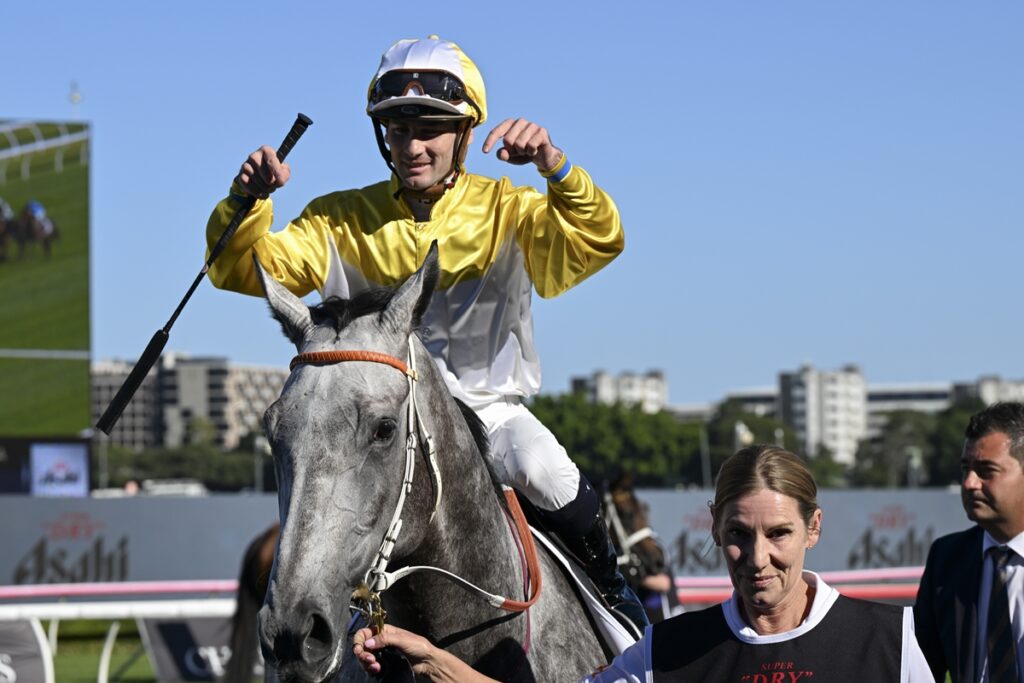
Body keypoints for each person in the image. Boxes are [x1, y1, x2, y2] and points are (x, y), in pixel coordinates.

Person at [204, 35, 645, 632]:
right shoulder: (336, 217)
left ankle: (621, 613)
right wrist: (246, 200)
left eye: (431, 128)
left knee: (546, 469)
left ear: (465, 133)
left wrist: (555, 166)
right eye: (397, 129)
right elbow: (237, 268)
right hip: (377, 419)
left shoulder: (509, 209)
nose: (412, 145)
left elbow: (599, 240)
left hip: (488, 412)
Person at [353, 444, 934, 681]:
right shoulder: (665, 653)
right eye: (737, 535)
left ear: (814, 527)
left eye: (778, 533)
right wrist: (431, 659)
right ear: (713, 527)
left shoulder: (891, 642)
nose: (758, 558)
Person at [914, 402, 1024, 683]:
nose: (969, 483)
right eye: (966, 469)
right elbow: (921, 667)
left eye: (986, 470)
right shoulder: (947, 558)